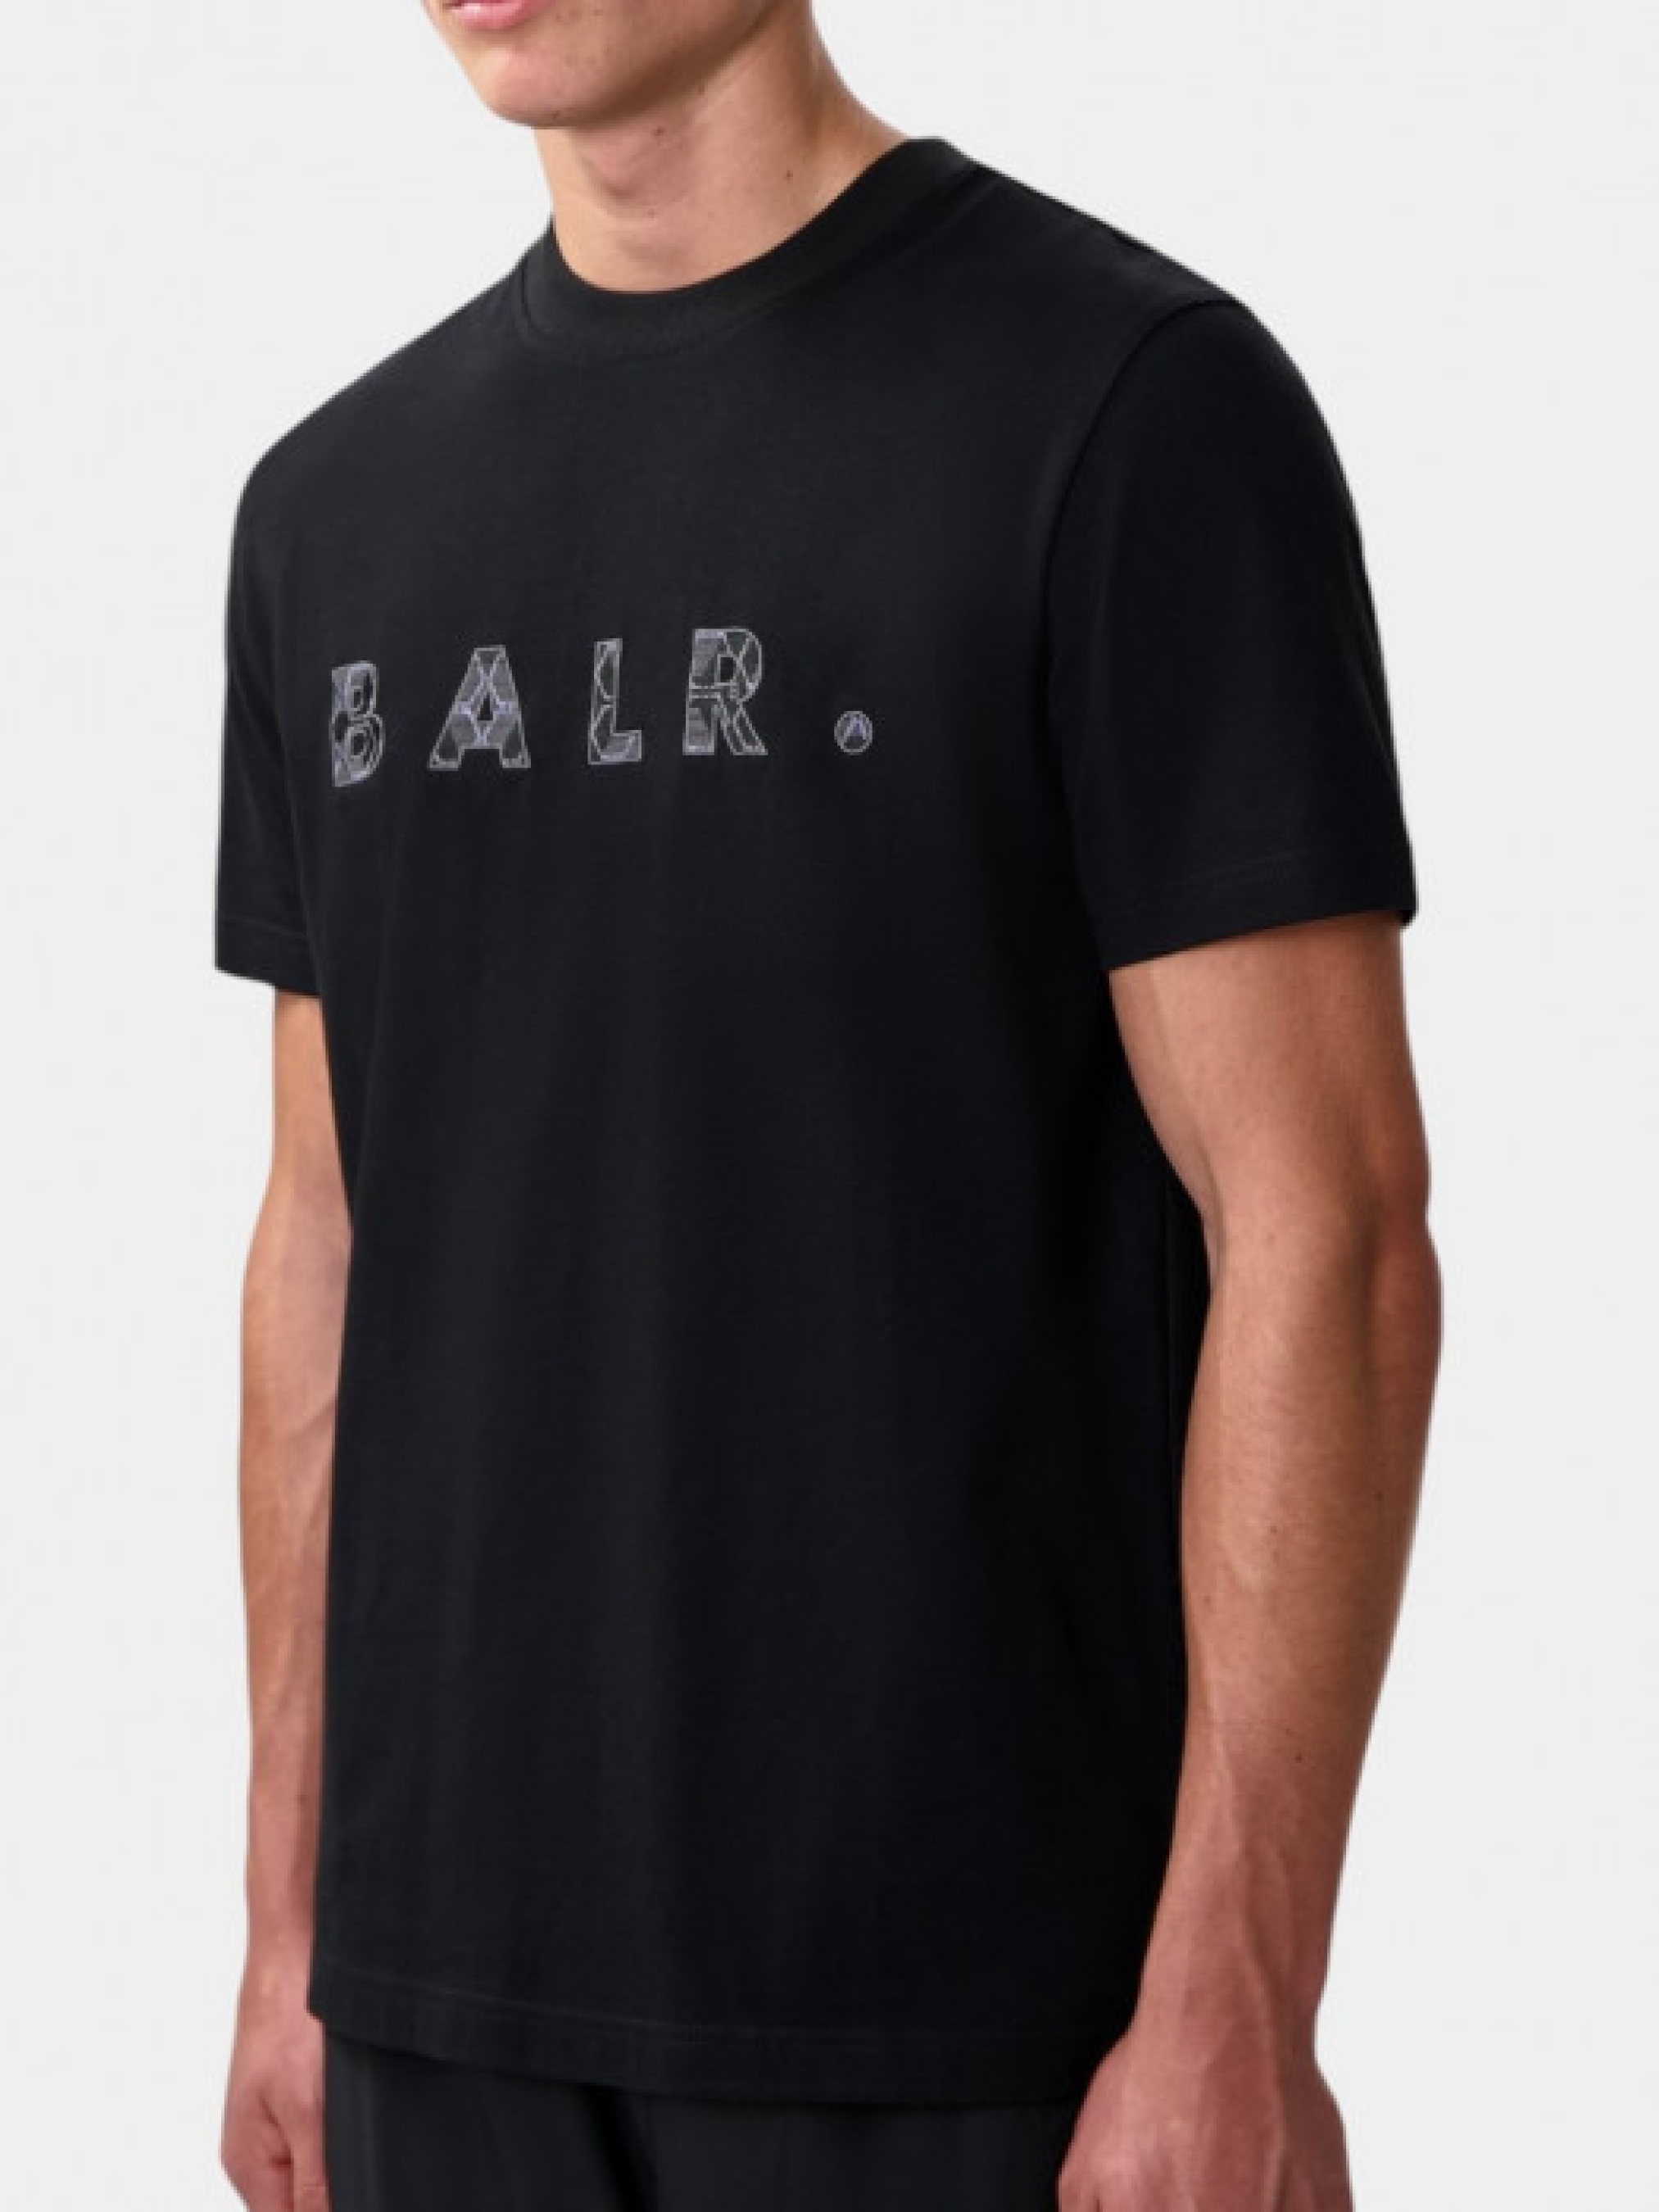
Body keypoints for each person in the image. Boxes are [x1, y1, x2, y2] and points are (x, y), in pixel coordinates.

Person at [212, 2, 1441, 2206]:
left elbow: (1324, 1230)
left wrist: (1241, 1987)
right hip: (436, 2009)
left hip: (975, 2008)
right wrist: (285, 1916)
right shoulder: (329, 510)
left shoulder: (1125, 405)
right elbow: (326, 1235)